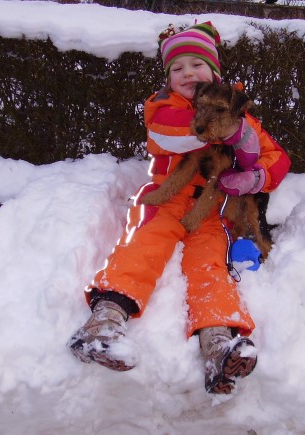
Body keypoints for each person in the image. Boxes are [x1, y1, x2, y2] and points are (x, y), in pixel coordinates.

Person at [68, 22, 291, 395]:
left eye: (196, 64)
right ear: (168, 78)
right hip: (166, 199)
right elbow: (167, 133)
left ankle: (219, 346)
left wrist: (255, 178)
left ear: (215, 72)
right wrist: (227, 129)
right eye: (177, 68)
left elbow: (276, 158)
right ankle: (103, 322)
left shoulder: (240, 113)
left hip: (212, 208)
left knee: (210, 266)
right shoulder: (162, 106)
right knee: (145, 245)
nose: (187, 73)